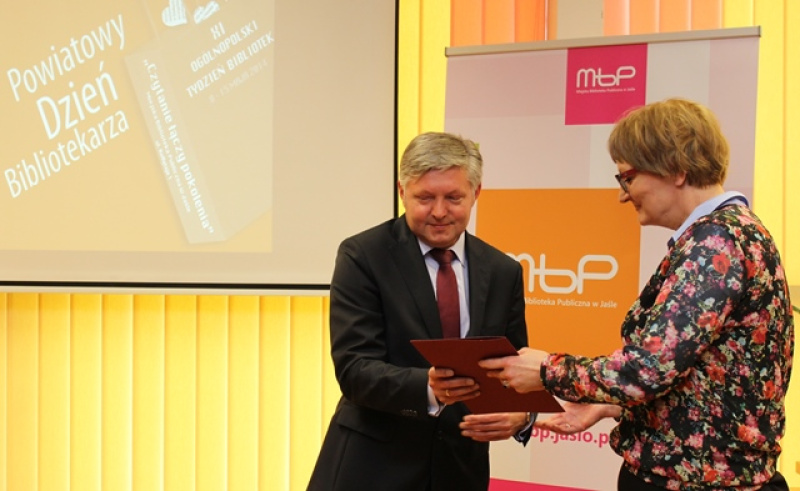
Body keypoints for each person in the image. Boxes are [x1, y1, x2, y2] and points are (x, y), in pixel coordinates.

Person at [480, 99, 794, 490]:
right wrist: (609, 404)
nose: (623, 195)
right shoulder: (735, 232)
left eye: (627, 177)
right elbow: (707, 380)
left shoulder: (716, 243)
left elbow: (648, 368)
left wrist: (546, 370)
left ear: (676, 169)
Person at [307, 131, 533, 491]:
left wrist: (523, 415)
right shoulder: (363, 256)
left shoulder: (503, 270)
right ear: (402, 192)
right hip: (372, 468)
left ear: (476, 193)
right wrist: (427, 387)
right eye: (425, 198)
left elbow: (515, 367)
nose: (439, 212)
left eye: (454, 198)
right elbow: (354, 368)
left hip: (460, 470)